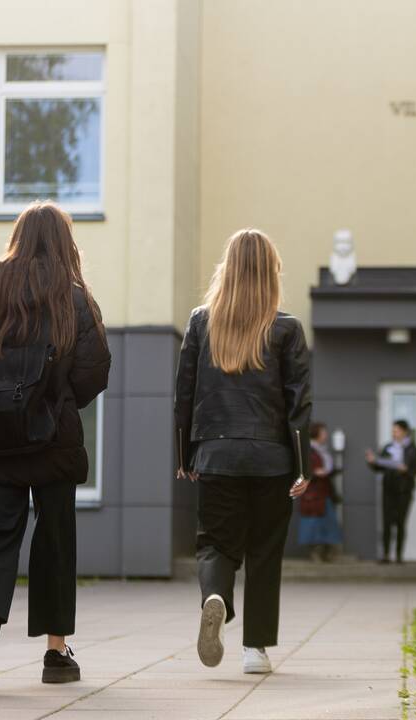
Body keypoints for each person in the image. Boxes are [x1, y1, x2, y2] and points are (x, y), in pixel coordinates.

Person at [0, 201, 110, 693]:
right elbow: (94, 369)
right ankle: (56, 653)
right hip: (52, 441)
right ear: (64, 243)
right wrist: (58, 398)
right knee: (55, 539)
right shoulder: (74, 298)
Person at [175, 228, 312, 675]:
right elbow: (299, 403)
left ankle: (215, 596)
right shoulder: (287, 328)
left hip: (216, 455)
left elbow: (184, 393)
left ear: (227, 268)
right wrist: (302, 466)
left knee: (216, 544)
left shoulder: (200, 321)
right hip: (271, 459)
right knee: (265, 551)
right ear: (272, 271)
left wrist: (185, 456)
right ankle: (255, 650)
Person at [366, 420, 416, 564]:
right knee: (386, 522)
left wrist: (406, 470)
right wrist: (372, 462)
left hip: (404, 490)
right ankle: (386, 555)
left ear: (404, 432)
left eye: (396, 430)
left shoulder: (412, 449)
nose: (393, 433)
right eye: (393, 430)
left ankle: (398, 556)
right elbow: (379, 467)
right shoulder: (388, 447)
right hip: (388, 489)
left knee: (400, 523)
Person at [298, 422, 343, 562]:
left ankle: (326, 553)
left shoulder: (322, 450)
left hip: (324, 493)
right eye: (323, 432)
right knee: (313, 524)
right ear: (316, 434)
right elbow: (302, 469)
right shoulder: (308, 451)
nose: (326, 435)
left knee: (328, 523)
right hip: (313, 495)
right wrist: (316, 473)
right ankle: (316, 553)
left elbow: (326, 469)